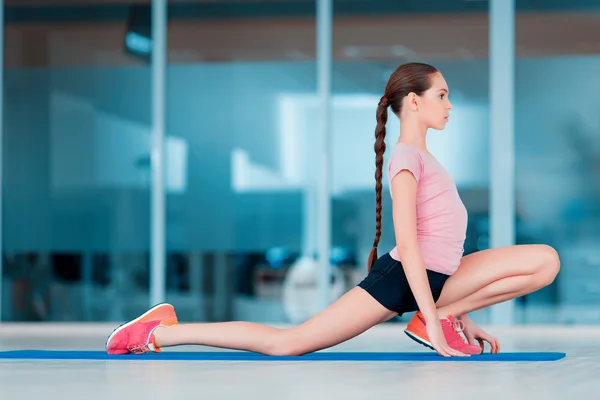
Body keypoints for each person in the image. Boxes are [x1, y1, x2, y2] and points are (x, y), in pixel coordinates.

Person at [105, 62, 560, 358]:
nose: (450, 104)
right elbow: (408, 244)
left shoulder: (428, 159)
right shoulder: (406, 159)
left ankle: (438, 315)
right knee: (288, 344)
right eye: (441, 95)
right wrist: (436, 328)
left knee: (543, 262)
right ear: (414, 102)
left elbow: (442, 245)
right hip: (403, 278)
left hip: (439, 278)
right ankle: (159, 330)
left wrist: (459, 316)